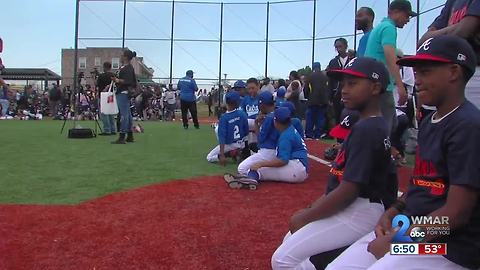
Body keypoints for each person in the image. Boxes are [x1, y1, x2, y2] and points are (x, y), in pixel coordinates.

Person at [327, 35, 480, 270]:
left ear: (453, 72)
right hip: (411, 228)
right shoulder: (430, 122)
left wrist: (398, 241)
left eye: (425, 72)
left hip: (449, 246)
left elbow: (456, 215)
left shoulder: (468, 125)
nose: (417, 80)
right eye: (416, 73)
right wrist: (393, 211)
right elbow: (422, 184)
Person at [271, 57, 394, 270]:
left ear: (375, 87)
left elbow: (349, 190)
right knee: (290, 245)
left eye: (353, 83)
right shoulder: (371, 124)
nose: (343, 90)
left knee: (282, 259)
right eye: (343, 83)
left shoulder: (368, 128)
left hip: (359, 209)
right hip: (358, 206)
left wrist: (307, 216)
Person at [364, 0, 415, 133]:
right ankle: (379, 153)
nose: (408, 20)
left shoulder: (381, 27)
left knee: (389, 124)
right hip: (381, 86)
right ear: (396, 12)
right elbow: (390, 57)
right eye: (407, 15)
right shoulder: (389, 28)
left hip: (375, 85)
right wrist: (401, 87)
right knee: (385, 129)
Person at [419, 0, 480, 109]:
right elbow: (424, 40)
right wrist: (455, 27)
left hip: (474, 75)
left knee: (469, 122)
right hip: (447, 74)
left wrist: (439, 34)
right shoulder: (452, 2)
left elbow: (464, 31)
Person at [228, 107, 308, 188]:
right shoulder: (289, 129)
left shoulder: (286, 136)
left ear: (276, 122)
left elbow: (283, 161)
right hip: (299, 167)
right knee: (257, 168)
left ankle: (249, 181)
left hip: (296, 169)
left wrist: (261, 164)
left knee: (258, 169)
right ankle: (246, 178)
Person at [206, 91, 249, 165]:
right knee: (217, 129)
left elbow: (222, 138)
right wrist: (245, 146)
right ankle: (238, 151)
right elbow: (246, 131)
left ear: (226, 102)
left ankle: (231, 153)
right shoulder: (242, 113)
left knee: (209, 157)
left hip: (230, 144)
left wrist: (222, 154)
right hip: (241, 143)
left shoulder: (224, 117)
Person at [111, 49, 137, 144]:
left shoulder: (127, 68)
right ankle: (129, 135)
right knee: (128, 115)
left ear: (125, 57)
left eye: (122, 55)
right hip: (123, 92)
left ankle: (122, 136)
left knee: (124, 115)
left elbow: (128, 81)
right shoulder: (127, 67)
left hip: (123, 92)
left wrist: (117, 80)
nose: (121, 57)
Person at [327, 38, 354, 124]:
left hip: (351, 92)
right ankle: (339, 137)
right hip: (337, 93)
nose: (338, 49)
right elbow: (330, 80)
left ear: (345, 46)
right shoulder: (333, 62)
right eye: (336, 47)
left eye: (340, 46)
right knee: (338, 116)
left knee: (350, 114)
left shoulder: (352, 60)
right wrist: (330, 97)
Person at [304, 61, 329, 139]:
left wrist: (307, 97)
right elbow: (328, 89)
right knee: (320, 119)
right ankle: (318, 135)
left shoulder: (310, 76)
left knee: (310, 119)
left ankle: (309, 135)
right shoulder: (325, 77)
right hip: (323, 101)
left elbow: (306, 89)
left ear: (313, 67)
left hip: (312, 101)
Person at [240, 78, 260, 152]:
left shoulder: (261, 98)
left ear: (258, 86)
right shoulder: (245, 99)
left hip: (259, 122)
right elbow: (242, 112)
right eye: (249, 88)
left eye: (253, 88)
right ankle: (245, 148)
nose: (251, 90)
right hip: (248, 122)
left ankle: (248, 148)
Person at [96, 61, 116, 136]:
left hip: (103, 95)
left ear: (104, 67)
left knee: (104, 113)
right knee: (110, 112)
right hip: (111, 95)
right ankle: (113, 129)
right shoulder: (113, 75)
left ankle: (107, 130)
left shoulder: (101, 76)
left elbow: (97, 84)